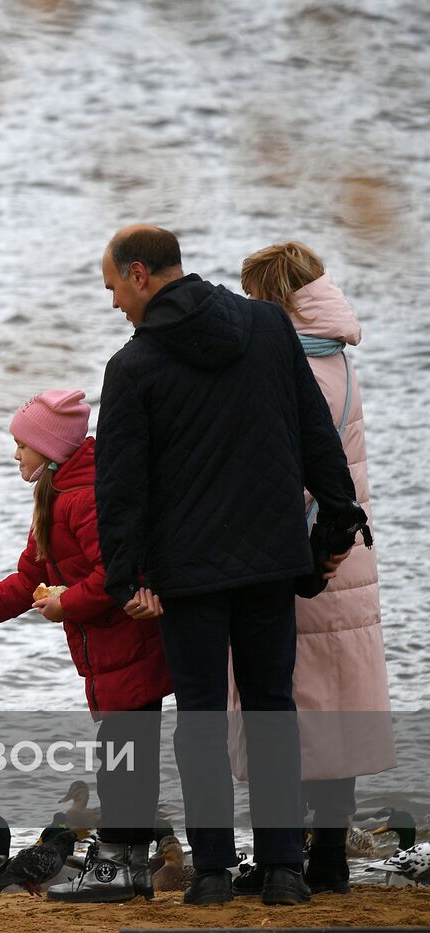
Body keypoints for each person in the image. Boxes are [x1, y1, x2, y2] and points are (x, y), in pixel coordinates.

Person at [93, 225, 360, 907]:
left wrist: (127, 581)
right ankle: (283, 870)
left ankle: (212, 870)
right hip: (271, 559)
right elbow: (314, 432)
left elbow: (120, 488)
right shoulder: (268, 327)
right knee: (273, 708)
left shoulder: (133, 366)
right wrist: (339, 515)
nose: (115, 303)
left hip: (188, 575)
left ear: (143, 275)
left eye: (115, 287)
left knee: (202, 719)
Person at [0, 389, 173, 903]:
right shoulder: (55, 495)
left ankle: (115, 869)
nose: (16, 454)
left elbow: (114, 577)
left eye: (22, 445)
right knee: (124, 757)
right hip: (103, 655)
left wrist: (69, 605)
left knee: (124, 759)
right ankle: (130, 867)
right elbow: (28, 577)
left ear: (50, 448)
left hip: (129, 647)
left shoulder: (87, 498)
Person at [227, 242, 394, 897]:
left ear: (270, 296)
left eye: (250, 295)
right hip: (346, 555)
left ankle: (296, 852)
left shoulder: (298, 366)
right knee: (335, 699)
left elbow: (285, 466)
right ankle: (325, 851)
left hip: (303, 557)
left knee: (291, 699)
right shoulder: (334, 356)